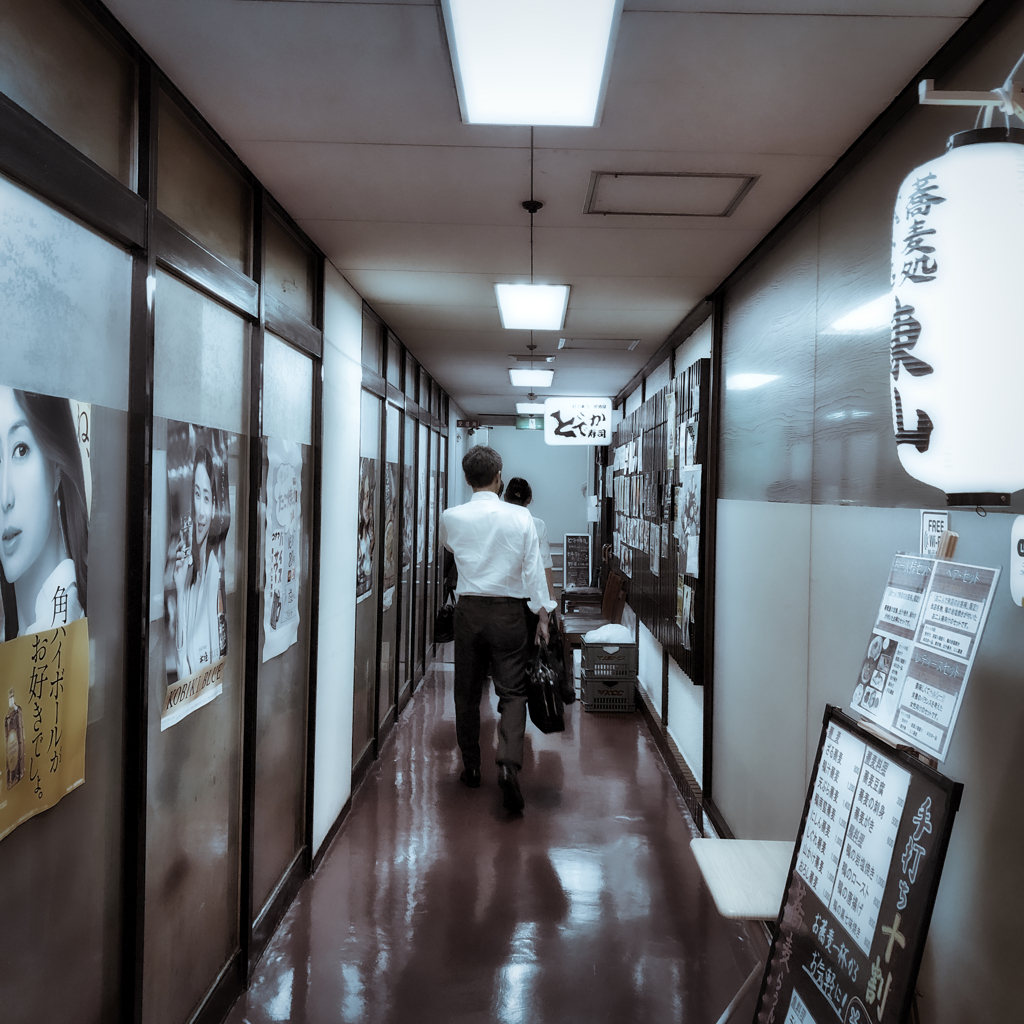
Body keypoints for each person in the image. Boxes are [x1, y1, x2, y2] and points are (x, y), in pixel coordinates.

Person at [440, 446, 555, 812]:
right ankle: (507, 765)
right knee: (513, 692)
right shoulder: (522, 519)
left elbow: (451, 551)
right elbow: (534, 571)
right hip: (509, 612)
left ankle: (472, 766)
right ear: (498, 476)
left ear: (466, 477)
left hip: (469, 611)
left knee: (467, 693)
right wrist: (543, 614)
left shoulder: (450, 517)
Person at [0, 387, 88, 641]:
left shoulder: (52, 629)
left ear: (57, 465)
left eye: (21, 450)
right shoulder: (30, 627)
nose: (5, 498)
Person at [172, 445, 224, 678]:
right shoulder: (191, 572)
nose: (201, 511)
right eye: (196, 494)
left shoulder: (215, 573)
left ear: (214, 508)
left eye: (207, 497)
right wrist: (180, 589)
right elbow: (181, 665)